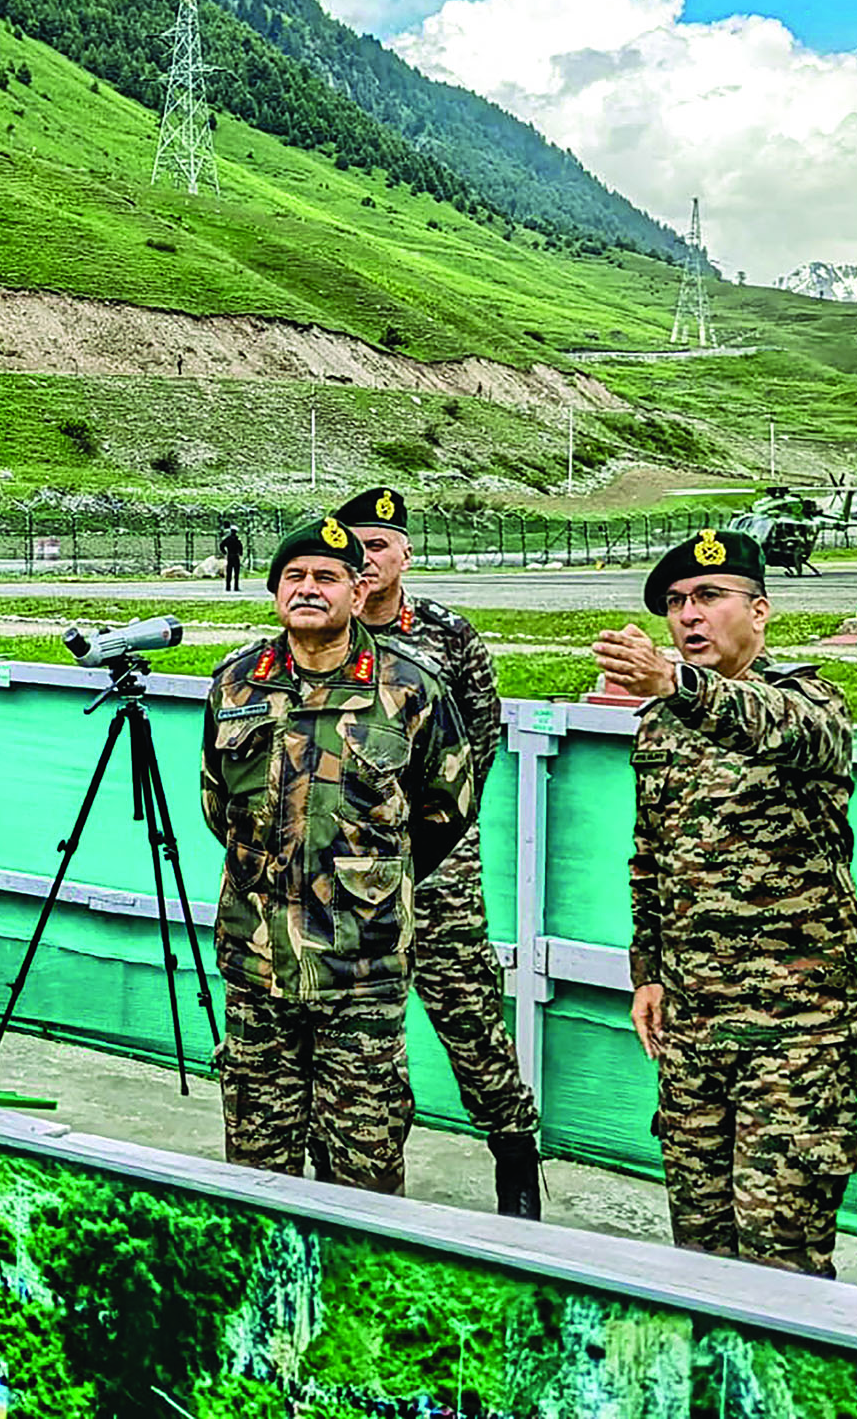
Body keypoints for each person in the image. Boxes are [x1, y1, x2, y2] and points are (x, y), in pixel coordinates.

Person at [593, 527, 857, 1278]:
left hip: (793, 1030)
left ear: (760, 611)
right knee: (700, 1250)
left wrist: (674, 685)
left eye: (709, 597)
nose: (687, 617)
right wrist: (646, 969)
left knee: (780, 1254)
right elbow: (651, 857)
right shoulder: (659, 722)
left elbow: (785, 731)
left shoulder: (807, 700)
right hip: (692, 1024)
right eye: (675, 604)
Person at [201, 515, 474, 1195]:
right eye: (293, 577)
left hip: (363, 967)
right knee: (256, 1169)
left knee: (363, 1169)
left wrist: (366, 881)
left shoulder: (410, 688)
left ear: (357, 590)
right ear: (274, 593)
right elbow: (217, 803)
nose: (308, 588)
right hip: (257, 962)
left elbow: (445, 811)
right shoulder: (236, 684)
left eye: (326, 577)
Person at [336, 486, 541, 1218]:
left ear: (404, 556)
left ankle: (515, 1154)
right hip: (347, 868)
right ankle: (364, 1178)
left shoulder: (449, 637)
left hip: (438, 866)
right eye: (352, 549)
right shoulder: (325, 628)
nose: (365, 562)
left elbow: (478, 743)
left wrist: (430, 835)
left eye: (379, 547)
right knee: (355, 1029)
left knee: (468, 1012)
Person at [219, 524, 244, 591]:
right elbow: (240, 548)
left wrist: (225, 552)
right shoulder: (237, 539)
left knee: (229, 572)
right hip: (236, 556)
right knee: (236, 573)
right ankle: (236, 587)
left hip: (229, 556)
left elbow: (221, 545)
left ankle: (228, 587)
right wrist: (240, 554)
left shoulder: (228, 539)